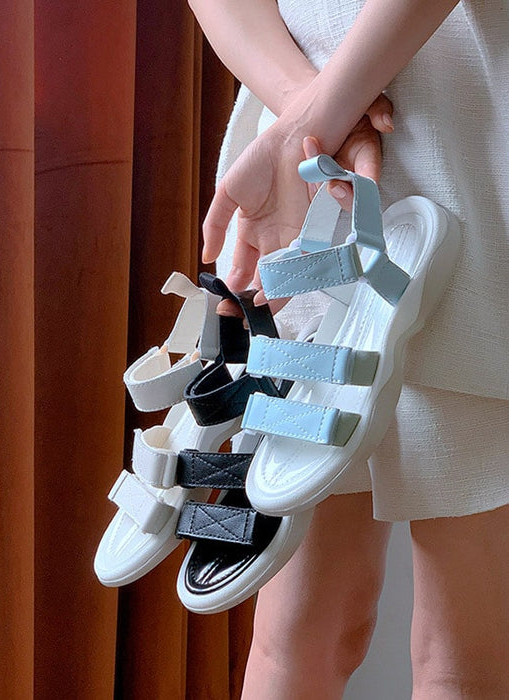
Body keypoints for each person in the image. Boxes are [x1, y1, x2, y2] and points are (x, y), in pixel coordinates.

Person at [187, 1, 509, 698]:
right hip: (305, 158)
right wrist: (309, 111)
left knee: (460, 653)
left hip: (459, 127)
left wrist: (314, 115)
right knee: (300, 633)